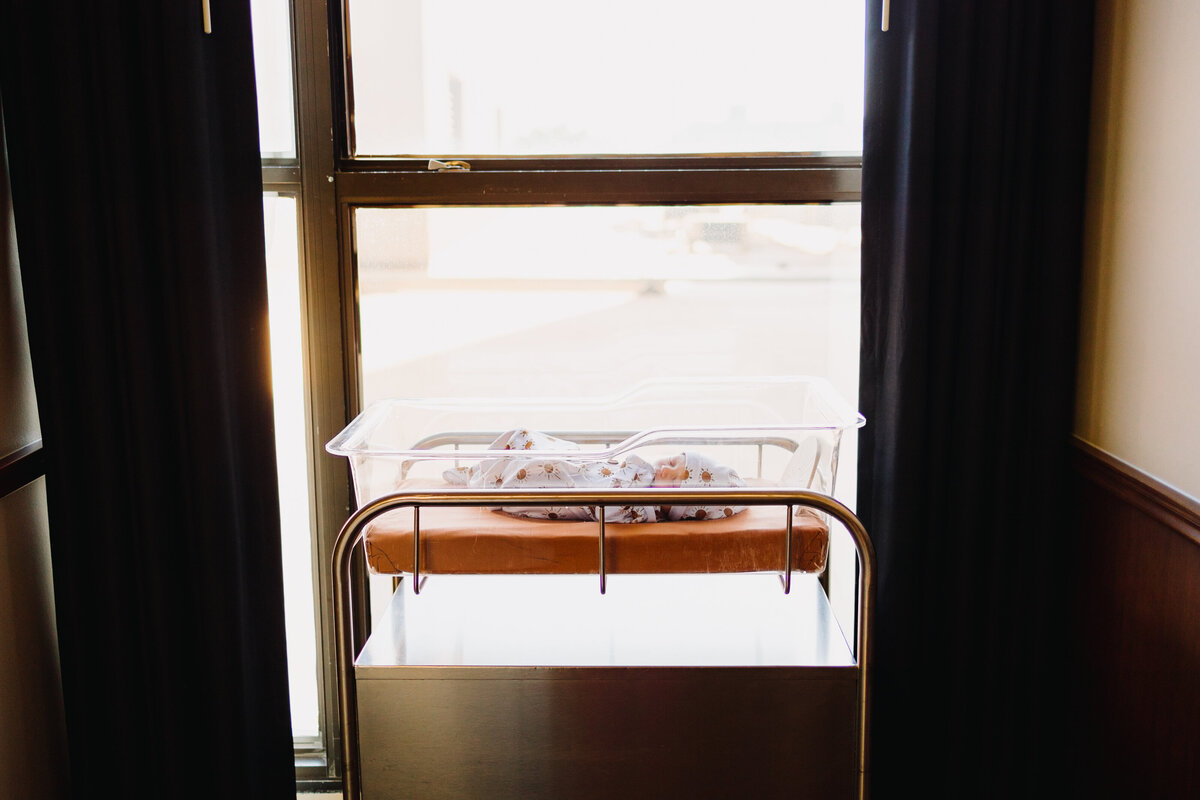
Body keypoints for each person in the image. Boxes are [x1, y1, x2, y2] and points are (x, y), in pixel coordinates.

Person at [443, 429, 746, 523]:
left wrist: (632, 480)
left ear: (678, 505)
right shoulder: (644, 474)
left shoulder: (642, 511)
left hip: (569, 488)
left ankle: (480, 481)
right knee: (528, 438)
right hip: (585, 468)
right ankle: (479, 472)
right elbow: (607, 466)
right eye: (669, 461)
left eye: (674, 477)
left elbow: (608, 505)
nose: (663, 469)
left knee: (531, 471)